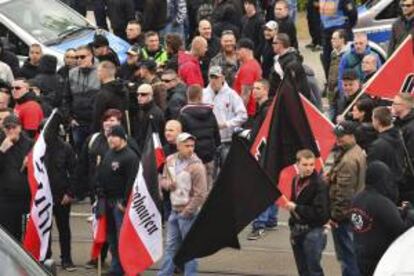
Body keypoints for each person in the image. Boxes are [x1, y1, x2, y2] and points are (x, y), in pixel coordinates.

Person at [158, 132, 207, 276]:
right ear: (178, 146)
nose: (190, 148)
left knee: (189, 249)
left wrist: (188, 211)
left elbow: (201, 194)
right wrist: (168, 184)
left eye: (192, 146)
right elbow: (163, 179)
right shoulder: (170, 160)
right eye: (187, 146)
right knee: (171, 247)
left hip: (188, 213)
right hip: (174, 210)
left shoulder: (197, 166)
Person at [350, 161, 411, 276]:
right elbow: (400, 230)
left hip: (360, 255)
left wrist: (400, 212)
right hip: (380, 258)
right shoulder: (383, 203)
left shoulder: (357, 198)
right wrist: (409, 214)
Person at [325, 120, 366, 276]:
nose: (337, 139)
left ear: (351, 136)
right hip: (353, 210)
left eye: (341, 136)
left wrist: (335, 216)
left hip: (344, 215)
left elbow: (344, 194)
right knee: (350, 253)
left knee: (347, 255)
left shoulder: (348, 160)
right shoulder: (355, 151)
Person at [96, 125, 139, 276]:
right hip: (107, 201)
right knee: (112, 239)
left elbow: (132, 181)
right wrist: (100, 191)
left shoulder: (130, 157)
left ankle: (131, 269)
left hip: (120, 203)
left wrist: (126, 203)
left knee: (125, 239)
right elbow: (102, 173)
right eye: (109, 136)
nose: (110, 139)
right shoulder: (109, 154)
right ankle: (117, 268)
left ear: (122, 137)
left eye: (113, 136)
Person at [284, 149, 329, 276]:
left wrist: (297, 207)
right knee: (302, 269)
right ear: (297, 164)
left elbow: (321, 213)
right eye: (305, 165)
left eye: (311, 164)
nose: (309, 168)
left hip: (313, 231)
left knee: (313, 270)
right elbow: (294, 201)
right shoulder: (295, 180)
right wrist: (292, 224)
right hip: (297, 230)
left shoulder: (319, 183)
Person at [41, 114, 77, 272]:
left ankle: (67, 259)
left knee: (64, 229)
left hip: (61, 196)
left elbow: (75, 172)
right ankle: (46, 258)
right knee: (44, 230)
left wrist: (70, 193)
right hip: (42, 197)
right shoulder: (36, 147)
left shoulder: (66, 148)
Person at [247, 79, 278, 240]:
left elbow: (268, 134)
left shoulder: (267, 110)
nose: (254, 91)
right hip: (267, 154)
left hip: (265, 155)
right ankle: (271, 219)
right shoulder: (265, 109)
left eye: (258, 88)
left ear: (266, 90)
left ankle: (259, 225)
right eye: (253, 88)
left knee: (260, 191)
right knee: (270, 187)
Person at [179, 84, 221, 192]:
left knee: (194, 190)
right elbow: (217, 137)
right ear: (200, 96)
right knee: (208, 187)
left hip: (191, 158)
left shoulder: (183, 115)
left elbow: (181, 138)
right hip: (209, 157)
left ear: (188, 96)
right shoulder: (210, 113)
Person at [203, 66, 247, 166]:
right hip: (210, 140)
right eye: (211, 77)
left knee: (226, 170)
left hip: (227, 140)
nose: (213, 81)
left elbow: (243, 115)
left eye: (216, 77)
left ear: (223, 78)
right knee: (211, 173)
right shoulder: (203, 94)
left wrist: (226, 124)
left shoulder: (231, 94)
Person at [0, 114, 33, 241]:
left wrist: (30, 163)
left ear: (20, 128)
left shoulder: (29, 144)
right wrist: (2, 151)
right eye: (7, 128)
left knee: (23, 235)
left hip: (24, 197)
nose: (11, 130)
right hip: (5, 198)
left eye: (14, 127)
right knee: (7, 235)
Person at [64, 45, 100, 154]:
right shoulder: (71, 73)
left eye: (82, 57)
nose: (79, 60)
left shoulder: (100, 72)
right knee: (80, 155)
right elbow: (66, 97)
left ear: (91, 56)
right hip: (78, 123)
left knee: (95, 154)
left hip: (95, 123)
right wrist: (69, 118)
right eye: (77, 57)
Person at [368, 106, 405, 191]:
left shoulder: (378, 145)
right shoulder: (399, 136)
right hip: (395, 184)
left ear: (377, 121)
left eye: (372, 119)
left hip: (382, 187)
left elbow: (373, 169)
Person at [319, 0, 357, 76]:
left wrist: (346, 28)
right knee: (328, 60)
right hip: (327, 34)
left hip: (341, 32)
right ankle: (330, 83)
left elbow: (353, 14)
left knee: (345, 59)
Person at [93, 61, 129, 133]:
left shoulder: (102, 95)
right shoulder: (124, 89)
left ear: (103, 72)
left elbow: (97, 118)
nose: (97, 74)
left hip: (107, 133)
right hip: (122, 131)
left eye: (98, 71)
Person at [392, 93, 414, 203]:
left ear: (404, 106)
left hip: (407, 183)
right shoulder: (398, 122)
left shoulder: (411, 128)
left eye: (395, 103)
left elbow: (409, 158)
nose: (392, 106)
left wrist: (401, 179)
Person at [233, 38, 262, 117]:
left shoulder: (248, 68)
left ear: (248, 50)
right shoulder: (252, 64)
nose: (236, 52)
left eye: (239, 49)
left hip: (247, 113)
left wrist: (238, 115)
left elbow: (245, 95)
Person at [132, 84, 165, 150]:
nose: (139, 97)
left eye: (143, 94)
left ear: (151, 95)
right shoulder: (141, 111)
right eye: (138, 94)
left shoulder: (155, 113)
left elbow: (155, 137)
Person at [327, 29, 347, 120]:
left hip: (341, 92)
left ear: (342, 40)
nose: (332, 41)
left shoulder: (347, 54)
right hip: (331, 91)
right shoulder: (333, 53)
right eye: (332, 38)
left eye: (334, 38)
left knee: (339, 115)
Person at [198, 19, 221, 84]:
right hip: (202, 77)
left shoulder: (218, 42)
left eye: (209, 28)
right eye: (204, 29)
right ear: (199, 30)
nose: (207, 31)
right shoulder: (195, 43)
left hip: (216, 76)